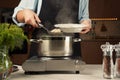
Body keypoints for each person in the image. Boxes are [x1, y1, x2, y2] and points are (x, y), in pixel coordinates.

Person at [12, 0, 91, 34]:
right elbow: (18, 15)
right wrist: (25, 13)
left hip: (71, 48)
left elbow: (84, 17)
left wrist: (86, 23)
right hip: (41, 47)